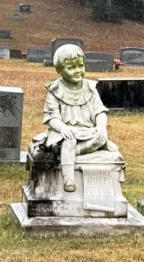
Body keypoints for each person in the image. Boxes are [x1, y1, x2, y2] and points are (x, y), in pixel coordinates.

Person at [41, 44, 118, 192]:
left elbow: (99, 112)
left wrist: (101, 127)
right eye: (71, 68)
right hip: (64, 132)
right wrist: (62, 127)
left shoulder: (90, 87)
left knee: (101, 137)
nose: (78, 71)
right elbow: (52, 117)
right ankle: (68, 178)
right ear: (59, 70)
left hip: (87, 131)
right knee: (69, 141)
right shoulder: (55, 90)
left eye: (80, 66)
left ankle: (68, 153)